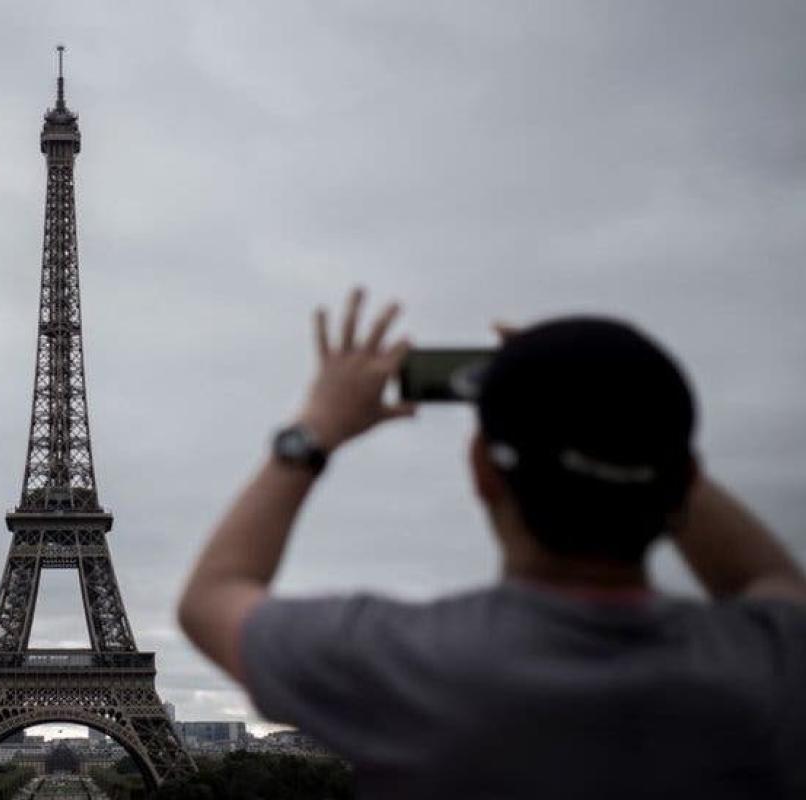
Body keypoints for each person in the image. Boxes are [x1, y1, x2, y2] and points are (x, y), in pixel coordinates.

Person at [177, 287, 806, 799]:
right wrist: (625, 423)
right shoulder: (770, 668)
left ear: (480, 470)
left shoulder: (400, 663)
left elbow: (213, 597)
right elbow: (766, 581)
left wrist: (314, 429)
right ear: (684, 481)